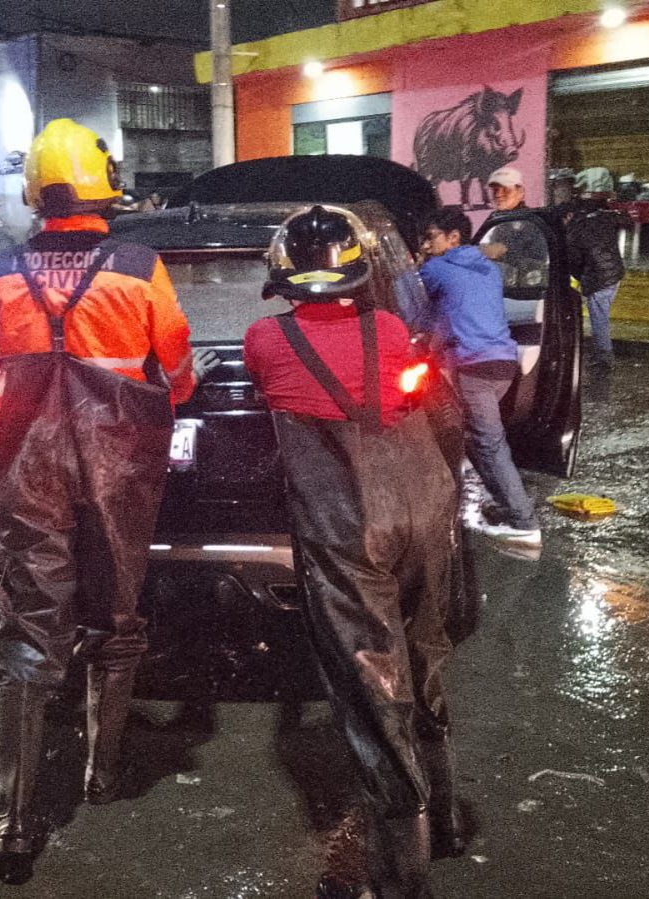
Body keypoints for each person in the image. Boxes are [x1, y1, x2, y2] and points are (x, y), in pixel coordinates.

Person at [0, 118, 216, 884]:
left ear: (36, 193)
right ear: (103, 186)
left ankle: (16, 820)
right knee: (116, 611)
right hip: (118, 462)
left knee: (32, 619)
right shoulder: (138, 262)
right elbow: (174, 364)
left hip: (27, 464)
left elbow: (0, 358)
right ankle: (101, 775)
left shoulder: (1, 267)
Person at [245, 205, 467, 898]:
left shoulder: (264, 336)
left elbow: (276, 395)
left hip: (346, 526)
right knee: (425, 657)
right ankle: (449, 819)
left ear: (283, 273)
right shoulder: (392, 326)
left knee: (376, 694)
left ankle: (400, 878)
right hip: (425, 508)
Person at [420, 206, 541, 546]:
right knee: (476, 439)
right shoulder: (488, 267)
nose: (427, 246)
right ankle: (508, 505)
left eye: (431, 238)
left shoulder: (438, 269)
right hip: (503, 364)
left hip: (474, 367)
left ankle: (524, 524)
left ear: (453, 237)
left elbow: (407, 295)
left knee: (488, 444)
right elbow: (450, 308)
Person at [564, 195, 628, 368]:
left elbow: (575, 263)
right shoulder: (602, 220)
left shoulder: (574, 232)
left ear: (570, 215)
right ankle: (602, 354)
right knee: (602, 316)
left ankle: (604, 357)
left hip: (599, 278)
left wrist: (578, 280)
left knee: (599, 319)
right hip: (615, 273)